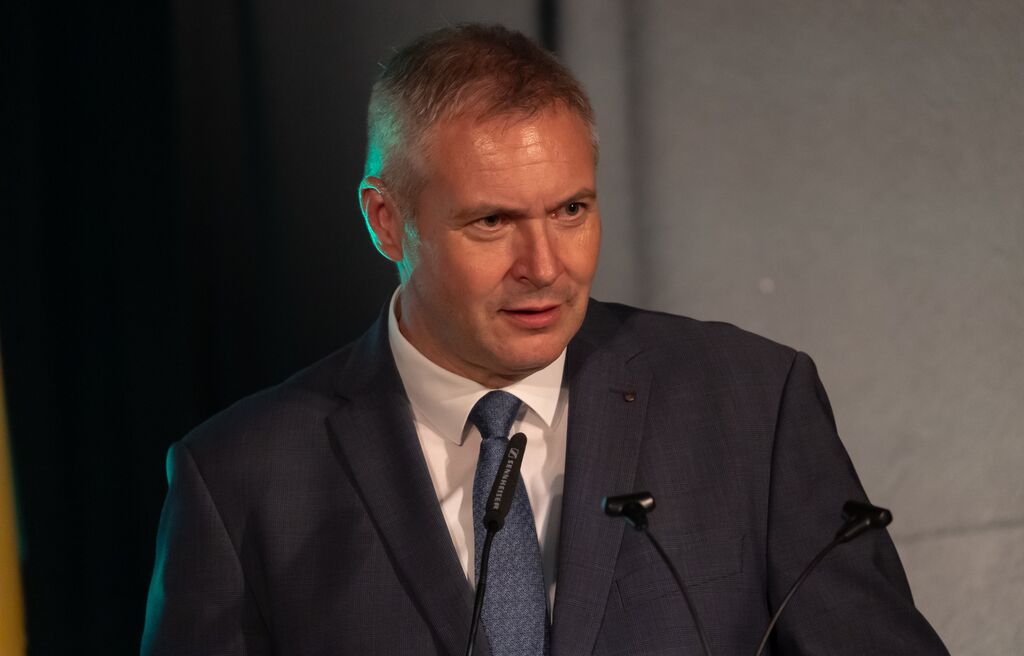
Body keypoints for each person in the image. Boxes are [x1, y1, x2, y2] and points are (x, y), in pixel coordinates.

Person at [142, 24, 948, 655]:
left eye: (571, 211)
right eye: (492, 221)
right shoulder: (243, 479)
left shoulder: (748, 404)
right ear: (387, 220)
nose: (545, 266)